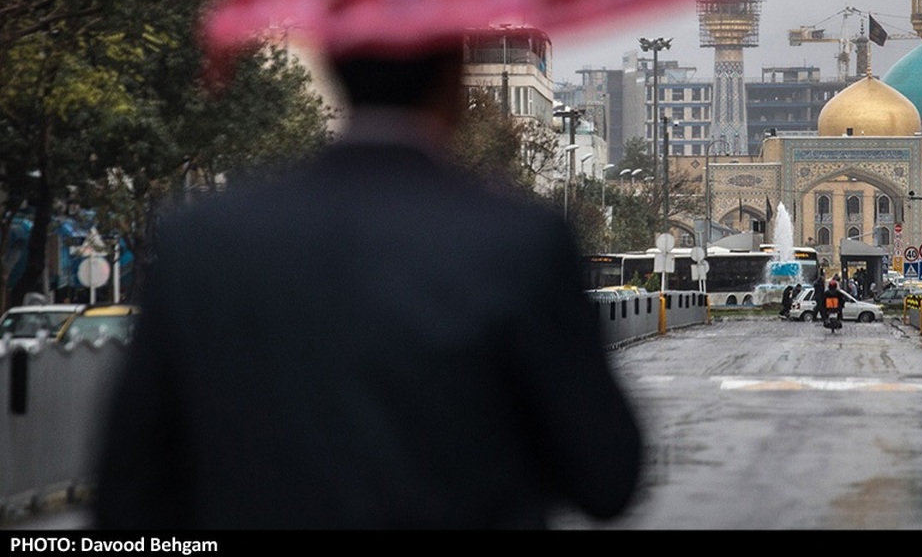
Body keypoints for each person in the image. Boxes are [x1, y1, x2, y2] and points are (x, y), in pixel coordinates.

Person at [93, 49, 644, 529]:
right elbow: (605, 478)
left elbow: (127, 494)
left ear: (333, 63)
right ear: (453, 74)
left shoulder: (203, 242)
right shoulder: (520, 241)